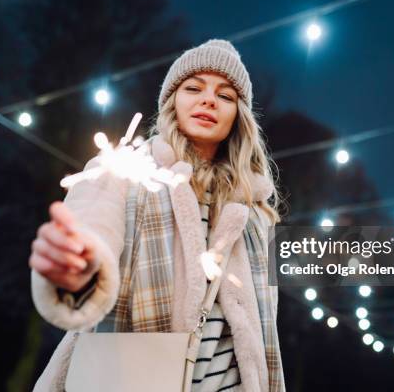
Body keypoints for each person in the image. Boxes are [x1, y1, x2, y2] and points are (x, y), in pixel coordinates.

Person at [29, 39, 285, 391]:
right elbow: (94, 228)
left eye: (225, 95)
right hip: (129, 379)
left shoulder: (256, 213)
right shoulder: (124, 170)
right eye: (193, 87)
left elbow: (262, 327)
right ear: (171, 102)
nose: (208, 99)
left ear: (238, 116)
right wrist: (78, 264)